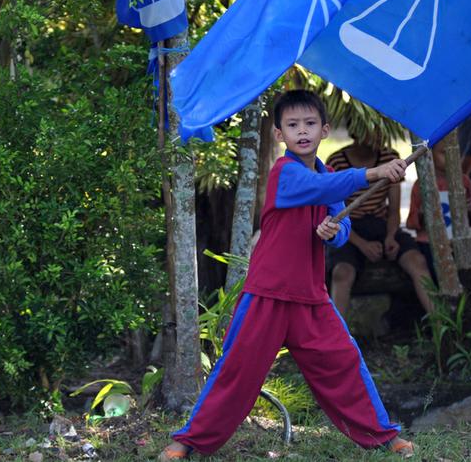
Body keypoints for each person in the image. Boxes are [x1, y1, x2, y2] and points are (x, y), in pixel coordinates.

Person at [158, 90, 415, 460]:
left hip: (311, 296)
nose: (302, 131)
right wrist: (373, 173)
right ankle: (187, 442)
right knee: (237, 370)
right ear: (279, 134)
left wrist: (334, 230)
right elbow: (320, 190)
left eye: (310, 124)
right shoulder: (285, 173)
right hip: (268, 293)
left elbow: (339, 220)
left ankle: (384, 437)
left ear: (325, 129)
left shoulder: (325, 172)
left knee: (344, 361)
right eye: (292, 125)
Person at [326, 133, 435, 316]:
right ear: (356, 131)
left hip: (382, 225)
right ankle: (337, 339)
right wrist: (362, 244)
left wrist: (390, 236)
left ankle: (443, 328)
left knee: (418, 261)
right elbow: (335, 215)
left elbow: (393, 211)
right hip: (350, 229)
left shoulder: (389, 158)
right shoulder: (336, 161)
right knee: (341, 273)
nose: (376, 137)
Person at [406, 141, 471, 278]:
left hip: (458, 242)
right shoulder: (421, 184)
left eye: (454, 152)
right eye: (443, 153)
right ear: (430, 155)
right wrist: (423, 212)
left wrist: (469, 211)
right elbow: (411, 223)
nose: (450, 156)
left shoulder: (464, 182)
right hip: (430, 244)